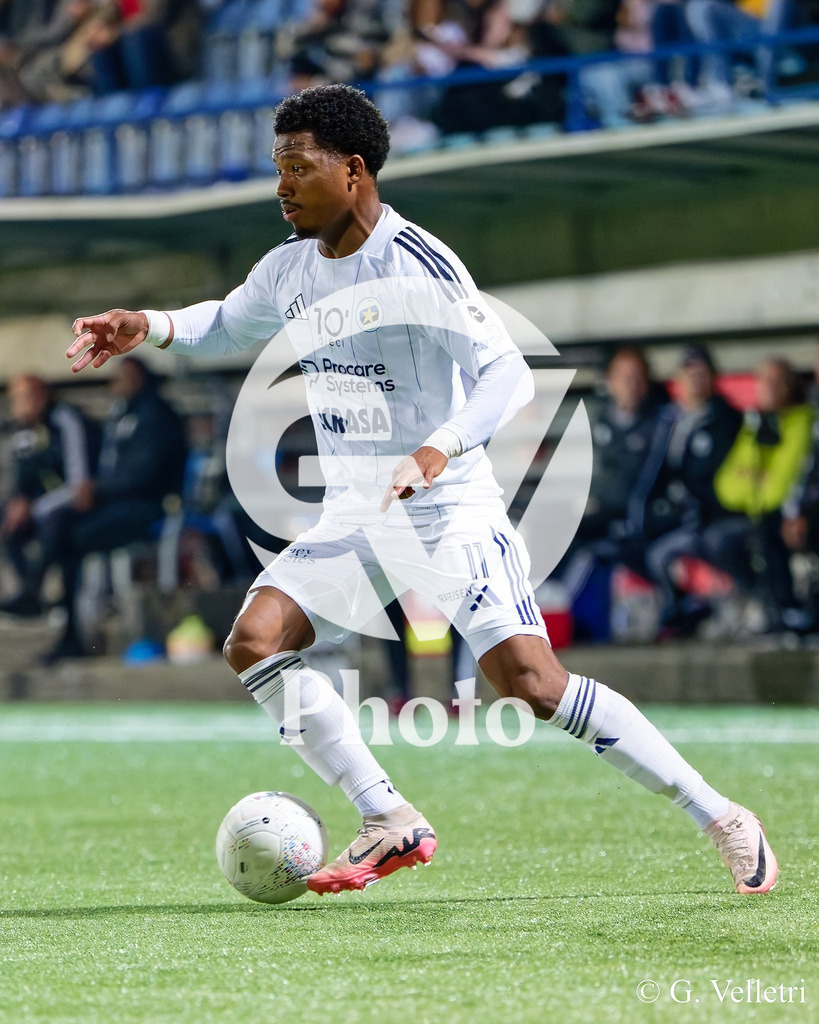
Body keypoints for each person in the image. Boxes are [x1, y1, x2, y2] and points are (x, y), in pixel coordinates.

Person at [67, 83, 777, 897]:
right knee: (254, 640)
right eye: (278, 167)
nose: (282, 185)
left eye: (298, 167)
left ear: (354, 170)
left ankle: (720, 814)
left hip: (448, 511)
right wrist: (146, 326)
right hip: (355, 515)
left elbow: (506, 374)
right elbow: (228, 322)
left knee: (531, 686)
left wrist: (437, 450)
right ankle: (387, 815)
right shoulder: (290, 268)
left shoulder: (416, 264)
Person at [43, 355, 188, 662]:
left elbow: (143, 477)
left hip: (148, 510)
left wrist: (97, 490)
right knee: (62, 524)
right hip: (120, 505)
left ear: (135, 377)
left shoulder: (155, 415)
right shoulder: (125, 413)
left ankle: (71, 625)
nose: (114, 385)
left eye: (119, 377)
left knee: (68, 538)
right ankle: (65, 619)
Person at [624, 345, 743, 635]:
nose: (696, 381)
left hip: (715, 517)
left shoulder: (727, 420)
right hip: (678, 518)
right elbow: (655, 472)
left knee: (716, 543)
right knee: (645, 551)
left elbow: (712, 476)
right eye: (690, 374)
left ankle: (739, 606)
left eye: (703, 374)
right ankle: (681, 608)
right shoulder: (670, 421)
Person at [712, 356, 813, 632]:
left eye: (774, 381)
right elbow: (725, 485)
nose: (766, 388)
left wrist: (753, 481)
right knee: (719, 540)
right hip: (755, 512)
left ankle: (787, 608)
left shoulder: (801, 421)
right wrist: (754, 482)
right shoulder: (755, 424)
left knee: (771, 529)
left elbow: (778, 488)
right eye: (762, 381)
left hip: (785, 512)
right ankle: (765, 603)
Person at [0, 373, 98, 616]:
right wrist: (19, 500)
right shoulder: (27, 430)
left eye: (23, 399)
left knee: (50, 521)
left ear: (40, 396)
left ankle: (35, 591)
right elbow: (24, 472)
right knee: (8, 521)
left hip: (82, 497)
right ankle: (29, 592)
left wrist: (34, 508)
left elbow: (80, 484)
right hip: (47, 500)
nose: (18, 407)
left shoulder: (65, 419)